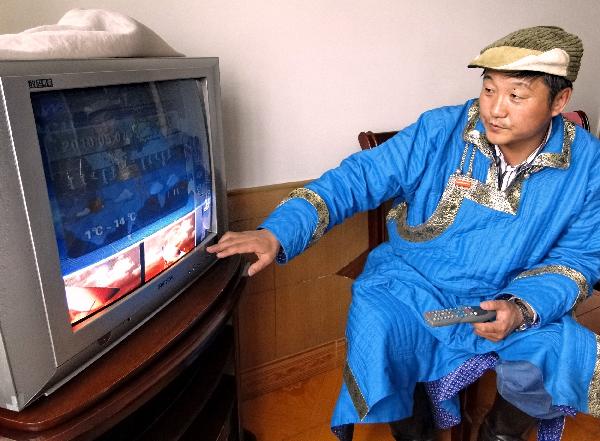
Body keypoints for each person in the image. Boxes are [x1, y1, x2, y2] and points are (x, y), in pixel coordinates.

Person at [207, 26, 600, 441]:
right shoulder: (440, 130)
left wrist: (520, 308)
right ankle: (416, 434)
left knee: (559, 348)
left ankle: (498, 435)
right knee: (379, 324)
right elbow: (357, 178)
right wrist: (278, 233)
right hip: (415, 280)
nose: (495, 110)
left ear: (559, 101)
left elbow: (579, 259)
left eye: (516, 95)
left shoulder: (588, 163)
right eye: (488, 89)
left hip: (509, 290)